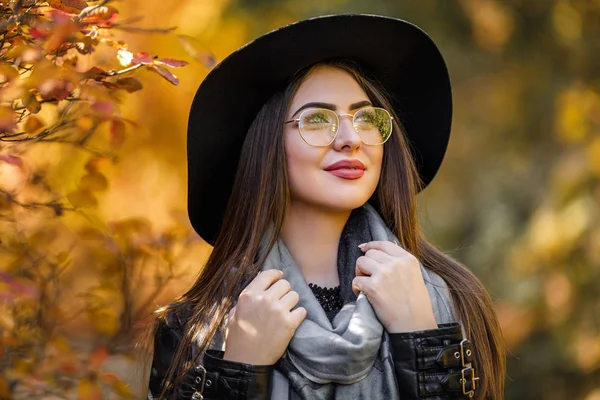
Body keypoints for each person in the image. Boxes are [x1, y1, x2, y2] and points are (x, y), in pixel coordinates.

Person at [145, 14, 506, 400]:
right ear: (267, 146)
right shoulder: (193, 329)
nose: (350, 139)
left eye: (366, 118)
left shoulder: (451, 299)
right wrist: (240, 371)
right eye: (317, 120)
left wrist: (421, 338)